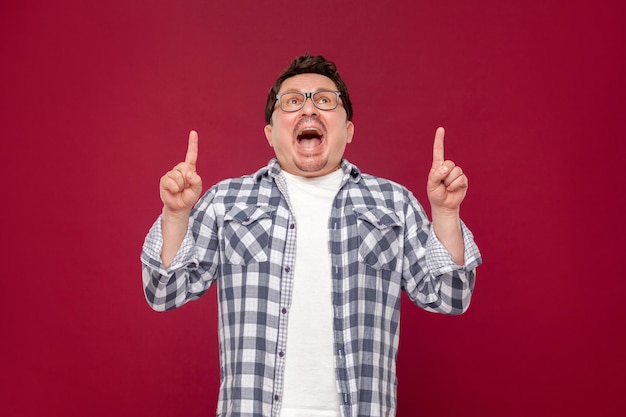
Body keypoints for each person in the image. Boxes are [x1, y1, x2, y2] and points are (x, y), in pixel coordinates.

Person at [141, 53, 482, 417]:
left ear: (348, 129)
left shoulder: (393, 203)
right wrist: (176, 216)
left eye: (324, 100)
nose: (308, 109)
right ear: (270, 133)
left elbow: (450, 296)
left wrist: (445, 214)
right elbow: (164, 292)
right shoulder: (227, 200)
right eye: (291, 101)